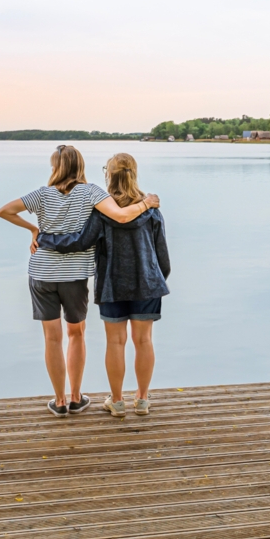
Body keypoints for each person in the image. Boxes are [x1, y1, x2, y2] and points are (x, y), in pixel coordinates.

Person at [0, 145, 160, 417]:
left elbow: (5, 211)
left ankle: (62, 402)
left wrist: (35, 230)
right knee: (79, 334)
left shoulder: (42, 194)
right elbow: (127, 221)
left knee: (53, 338)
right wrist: (147, 203)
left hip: (43, 273)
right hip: (78, 276)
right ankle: (82, 397)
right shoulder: (91, 193)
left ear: (56, 168)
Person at [38, 152, 170, 417]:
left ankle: (118, 402)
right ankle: (142, 400)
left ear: (109, 175)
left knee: (116, 343)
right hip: (148, 284)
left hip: (112, 286)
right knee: (144, 341)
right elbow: (162, 256)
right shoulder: (152, 210)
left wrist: (45, 238)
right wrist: (156, 280)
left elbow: (78, 242)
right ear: (134, 174)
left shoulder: (101, 211)